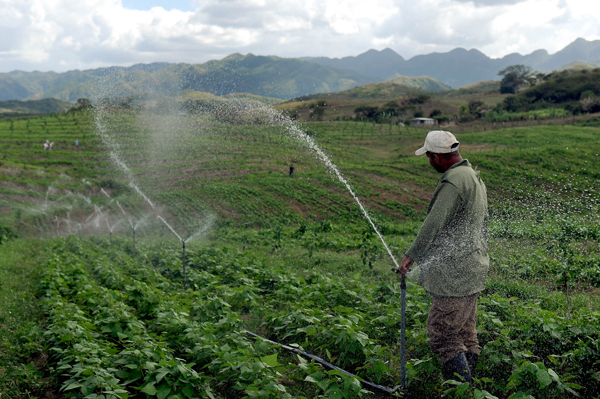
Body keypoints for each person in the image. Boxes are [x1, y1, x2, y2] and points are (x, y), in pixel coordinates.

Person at [395, 130, 489, 383]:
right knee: (465, 332)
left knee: (443, 332)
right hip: (472, 266)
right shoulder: (472, 176)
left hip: (454, 273)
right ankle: (469, 388)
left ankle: (460, 388)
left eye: (428, 157)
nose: (429, 162)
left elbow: (433, 222)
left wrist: (411, 256)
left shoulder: (453, 181)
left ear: (437, 157)